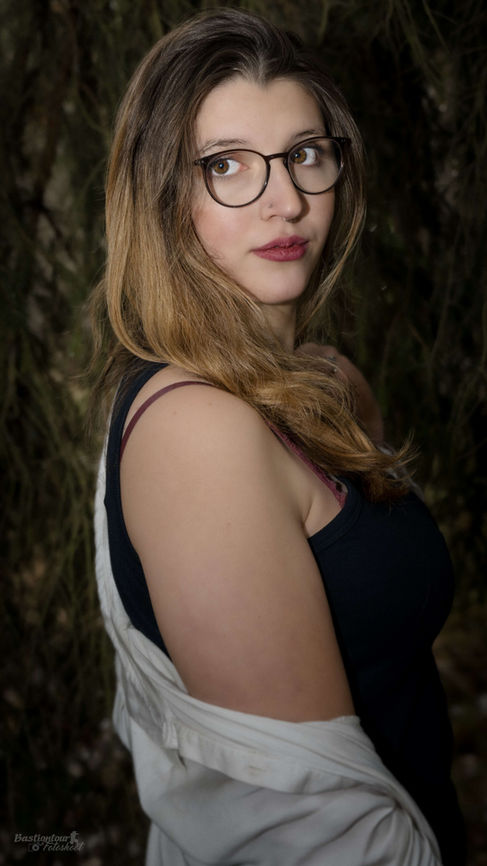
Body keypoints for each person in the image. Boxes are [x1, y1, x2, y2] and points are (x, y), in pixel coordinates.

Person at [92, 8, 466, 865]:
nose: (286, 199)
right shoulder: (196, 429)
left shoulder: (325, 382)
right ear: (161, 196)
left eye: (304, 153)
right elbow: (297, 822)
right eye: (226, 165)